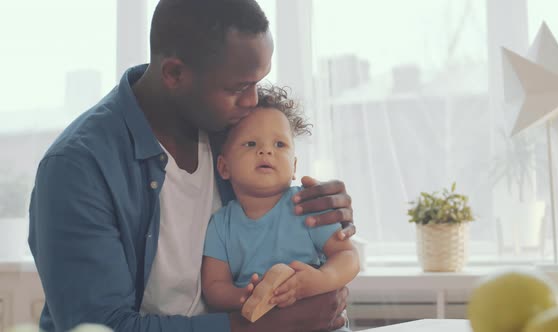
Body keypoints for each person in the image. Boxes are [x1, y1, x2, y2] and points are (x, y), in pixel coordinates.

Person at [28, 0, 354, 331]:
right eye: (238, 88)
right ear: (174, 73)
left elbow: (276, 227)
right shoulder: (76, 169)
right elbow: (102, 326)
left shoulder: (230, 127)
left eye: (258, 82)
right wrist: (258, 327)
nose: (253, 101)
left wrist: (321, 211)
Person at [201, 86, 359, 331]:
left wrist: (320, 280)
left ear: (294, 166)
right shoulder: (222, 224)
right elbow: (213, 286)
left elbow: (347, 256)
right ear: (224, 167)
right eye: (250, 143)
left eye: (280, 144)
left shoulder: (307, 205)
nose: (266, 151)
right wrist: (242, 296)